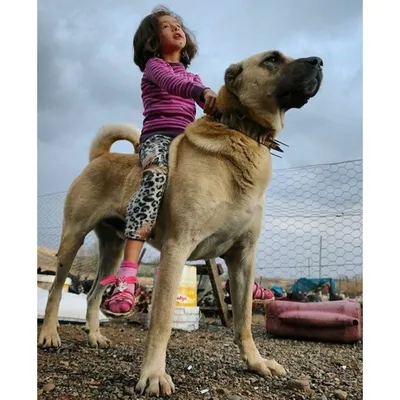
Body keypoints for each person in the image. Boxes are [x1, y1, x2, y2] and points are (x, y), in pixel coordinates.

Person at [99, 5, 219, 317]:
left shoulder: (192, 75)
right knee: (154, 178)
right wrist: (202, 92)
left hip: (187, 141)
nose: (177, 29)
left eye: (178, 24)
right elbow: (174, 84)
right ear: (152, 39)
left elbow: (200, 98)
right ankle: (126, 277)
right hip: (158, 138)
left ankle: (219, 244)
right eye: (167, 26)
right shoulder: (155, 67)